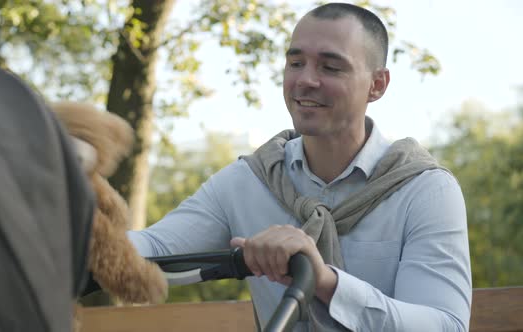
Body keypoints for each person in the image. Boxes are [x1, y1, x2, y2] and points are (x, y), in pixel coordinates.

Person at [128, 3, 472, 331]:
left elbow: (445, 324)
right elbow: (155, 249)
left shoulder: (425, 190)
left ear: (377, 85)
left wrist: (324, 282)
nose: (305, 80)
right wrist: (83, 218)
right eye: (295, 63)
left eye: (330, 67)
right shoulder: (249, 180)